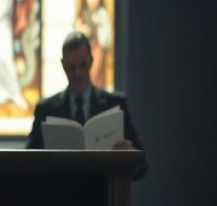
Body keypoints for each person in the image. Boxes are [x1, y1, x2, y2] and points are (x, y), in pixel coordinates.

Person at [27, 31, 146, 178]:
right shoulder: (45, 109)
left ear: (91, 61)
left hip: (105, 197)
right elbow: (28, 162)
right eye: (71, 67)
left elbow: (142, 168)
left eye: (82, 66)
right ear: (63, 65)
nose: (77, 74)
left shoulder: (115, 105)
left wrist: (129, 155)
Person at [74, 0, 112, 89]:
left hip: (97, 50)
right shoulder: (82, 13)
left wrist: (99, 25)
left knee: (95, 75)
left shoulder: (102, 13)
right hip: (83, 51)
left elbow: (106, 39)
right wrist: (80, 30)